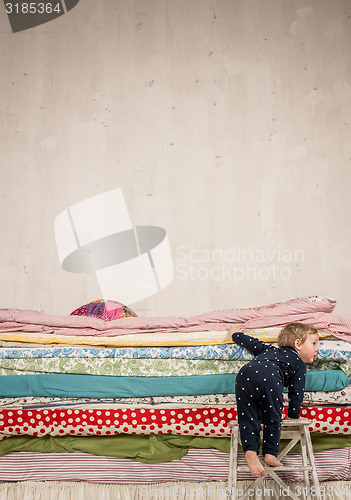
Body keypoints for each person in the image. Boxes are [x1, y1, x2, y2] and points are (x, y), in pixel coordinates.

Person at [228, 322, 319, 478]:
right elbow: (296, 393)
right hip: (270, 378)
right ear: (298, 343)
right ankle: (270, 453)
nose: (317, 349)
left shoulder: (269, 350)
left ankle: (250, 451)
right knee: (273, 415)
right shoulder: (299, 364)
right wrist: (294, 414)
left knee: (247, 416)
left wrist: (235, 334)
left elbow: (252, 344)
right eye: (314, 343)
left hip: (244, 374)